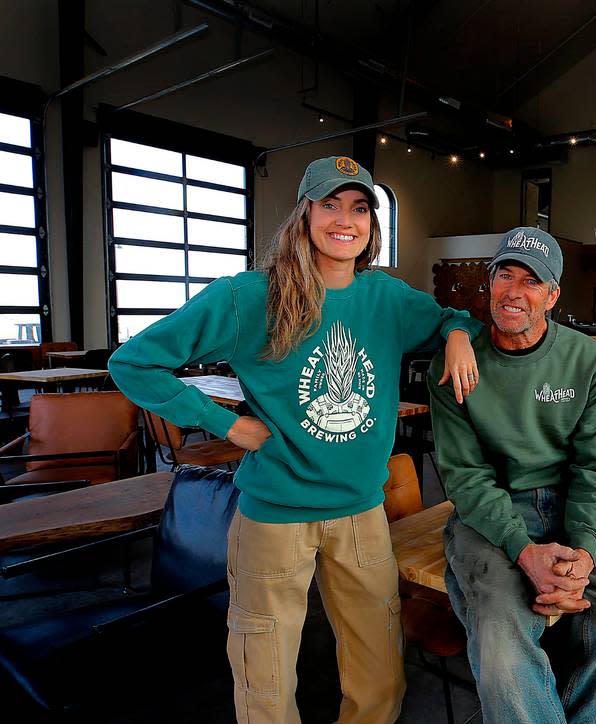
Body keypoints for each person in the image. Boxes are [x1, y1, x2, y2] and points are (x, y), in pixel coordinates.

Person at [109, 155, 482, 724]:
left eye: (359, 208)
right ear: (304, 214)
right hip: (274, 516)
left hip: (362, 513)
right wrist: (227, 424)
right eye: (330, 204)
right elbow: (134, 363)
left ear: (372, 226)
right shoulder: (247, 297)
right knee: (265, 668)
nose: (345, 219)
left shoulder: (387, 298)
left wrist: (455, 331)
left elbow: (458, 318)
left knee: (379, 667)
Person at [427, 226, 596, 723]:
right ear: (491, 281)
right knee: (499, 628)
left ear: (552, 294)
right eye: (506, 275)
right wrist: (524, 551)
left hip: (570, 503)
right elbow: (466, 477)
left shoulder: (588, 361)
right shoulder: (455, 364)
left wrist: (584, 549)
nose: (515, 291)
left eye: (532, 281)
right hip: (491, 510)